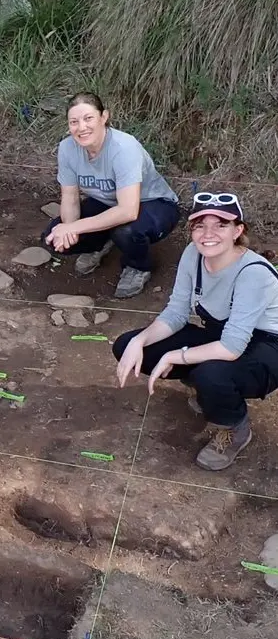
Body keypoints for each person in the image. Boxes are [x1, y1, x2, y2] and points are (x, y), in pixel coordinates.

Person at [114, 192, 278, 471]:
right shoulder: (193, 254)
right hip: (222, 333)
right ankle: (210, 391)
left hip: (266, 348)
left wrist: (175, 356)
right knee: (128, 345)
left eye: (221, 225)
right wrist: (140, 340)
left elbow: (232, 347)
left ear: (238, 231)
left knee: (211, 374)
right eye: (200, 226)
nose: (208, 234)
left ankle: (234, 427)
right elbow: (176, 312)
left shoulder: (253, 273)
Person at [42, 92, 180, 299]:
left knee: (126, 230)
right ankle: (99, 244)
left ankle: (138, 267)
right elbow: (70, 197)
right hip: (106, 202)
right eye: (74, 122)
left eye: (88, 118)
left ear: (104, 117)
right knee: (54, 236)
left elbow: (128, 211)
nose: (81, 127)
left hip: (153, 202)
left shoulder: (124, 148)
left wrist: (75, 227)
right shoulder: (67, 148)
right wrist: (70, 231)